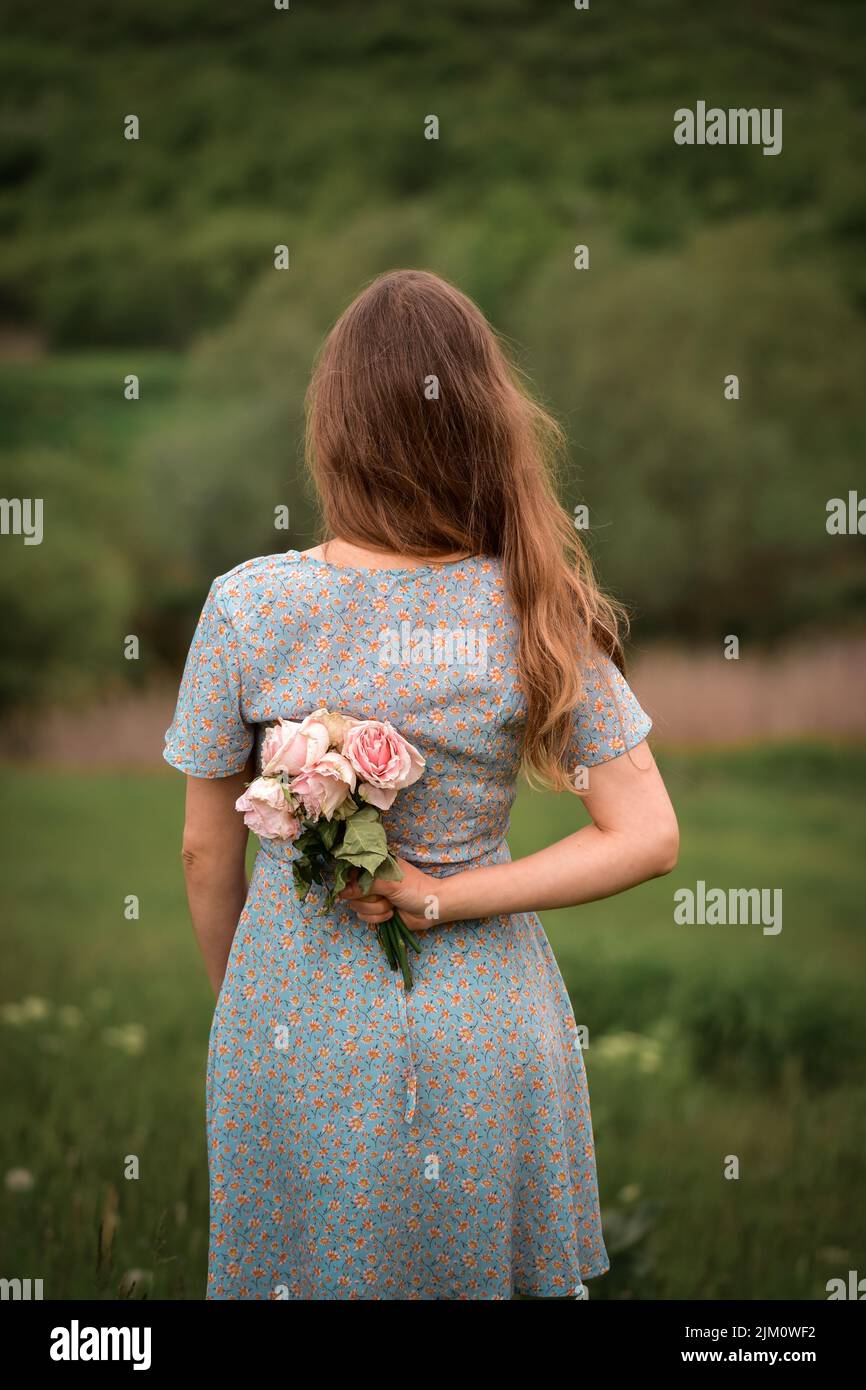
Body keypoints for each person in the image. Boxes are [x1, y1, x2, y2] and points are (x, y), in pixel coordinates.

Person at [164, 269, 679, 1300]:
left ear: (335, 431)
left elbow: (201, 852)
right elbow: (645, 834)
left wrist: (251, 1011)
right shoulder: (530, 599)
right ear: (486, 425)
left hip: (289, 1026)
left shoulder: (250, 606)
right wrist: (440, 895)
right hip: (488, 1030)